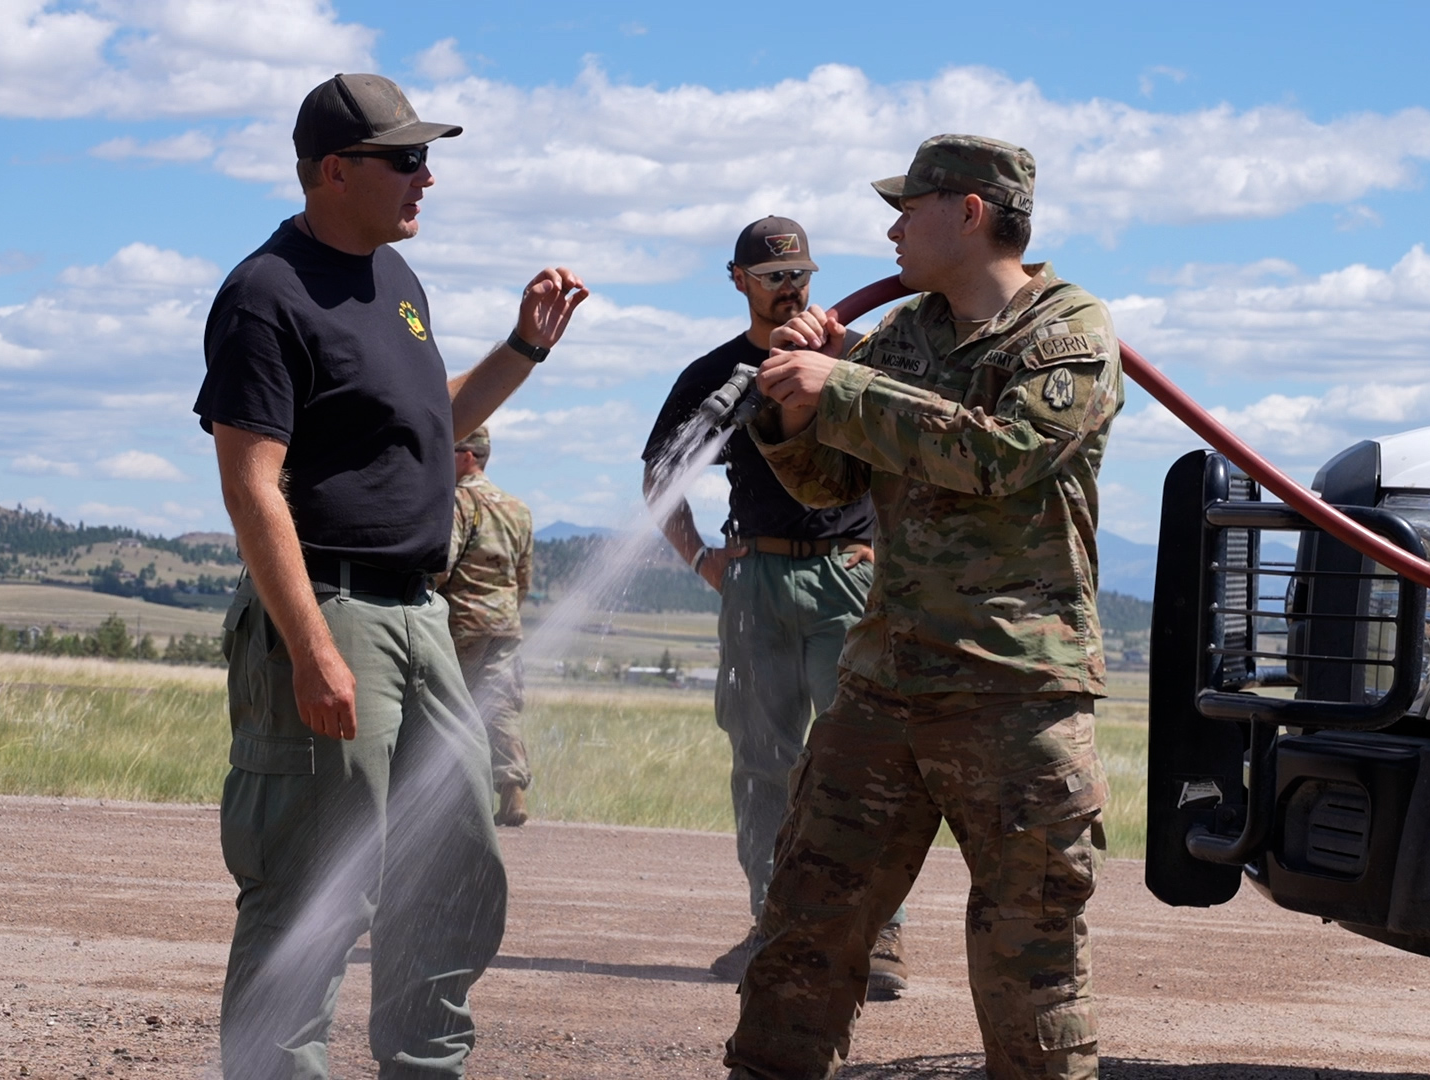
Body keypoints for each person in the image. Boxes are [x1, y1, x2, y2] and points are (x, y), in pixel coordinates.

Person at [194, 73, 587, 1079]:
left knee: (454, 865)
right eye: (406, 158)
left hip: (420, 615)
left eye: (426, 157)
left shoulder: (397, 282)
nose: (427, 177)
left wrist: (524, 347)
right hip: (332, 610)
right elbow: (251, 484)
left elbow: (428, 426)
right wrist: (311, 648)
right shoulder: (266, 293)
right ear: (335, 170)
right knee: (313, 884)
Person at [726, 135, 1123, 1080]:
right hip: (885, 683)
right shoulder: (905, 336)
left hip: (1013, 692)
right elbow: (831, 485)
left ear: (971, 212)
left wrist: (845, 385)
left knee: (1030, 963)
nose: (892, 230)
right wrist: (795, 407)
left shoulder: (1068, 330)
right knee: (803, 933)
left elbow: (1004, 454)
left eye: (909, 208)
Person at [641, 216, 909, 993]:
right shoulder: (715, 374)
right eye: (773, 277)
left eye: (800, 275)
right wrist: (702, 559)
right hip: (755, 579)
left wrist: (888, 556)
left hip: (847, 577)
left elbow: (914, 455)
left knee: (861, 759)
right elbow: (660, 474)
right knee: (762, 763)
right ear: (739, 282)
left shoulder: (852, 361)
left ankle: (879, 936)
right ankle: (774, 924)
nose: (790, 288)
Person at [437, 425, 536, 828]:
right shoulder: (518, 509)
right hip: (505, 625)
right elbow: (524, 577)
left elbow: (441, 566)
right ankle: (512, 788)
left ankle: (448, 799)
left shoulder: (458, 501)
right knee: (499, 705)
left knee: (447, 707)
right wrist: (506, 610)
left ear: (468, 456)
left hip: (461, 623)